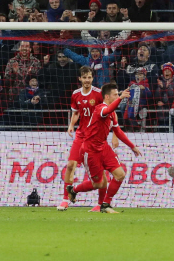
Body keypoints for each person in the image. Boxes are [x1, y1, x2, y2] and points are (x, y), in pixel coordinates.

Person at [67, 83, 142, 214]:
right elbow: (106, 111)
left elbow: (118, 132)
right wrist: (121, 98)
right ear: (107, 96)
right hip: (90, 150)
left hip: (104, 147)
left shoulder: (112, 113)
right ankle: (73, 190)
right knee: (99, 184)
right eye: (115, 94)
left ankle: (106, 204)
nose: (117, 96)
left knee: (120, 175)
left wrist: (132, 146)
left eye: (118, 94)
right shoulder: (100, 108)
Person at [57, 66, 113, 212]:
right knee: (70, 165)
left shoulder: (98, 94)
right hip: (81, 134)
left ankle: (100, 204)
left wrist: (114, 131)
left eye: (89, 77)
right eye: (85, 77)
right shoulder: (76, 95)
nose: (87, 80)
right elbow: (76, 113)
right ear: (80, 79)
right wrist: (71, 125)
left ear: (92, 78)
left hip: (96, 137)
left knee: (101, 172)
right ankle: (65, 199)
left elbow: (109, 111)